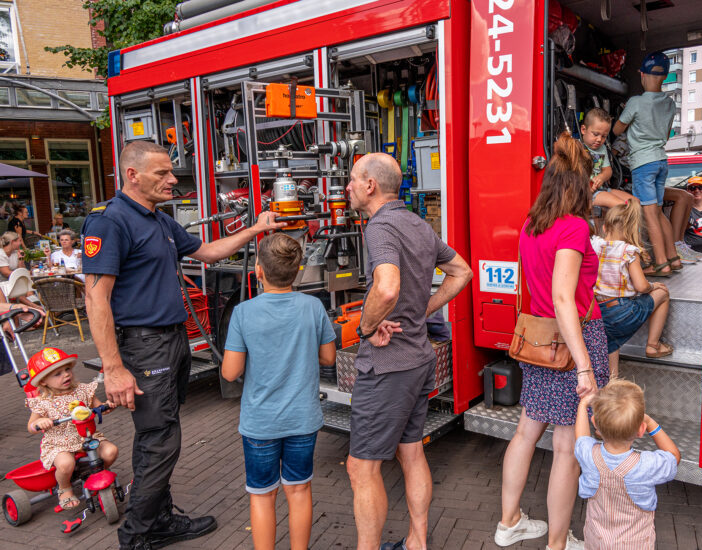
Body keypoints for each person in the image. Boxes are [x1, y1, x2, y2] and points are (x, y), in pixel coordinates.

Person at [82, 140, 286, 550]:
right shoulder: (110, 221)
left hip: (172, 340)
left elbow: (208, 252)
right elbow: (95, 298)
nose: (173, 179)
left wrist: (257, 230)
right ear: (132, 175)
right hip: (144, 346)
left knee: (160, 434)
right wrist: (113, 367)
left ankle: (159, 520)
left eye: (171, 171)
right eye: (162, 173)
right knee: (161, 441)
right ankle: (136, 537)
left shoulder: (158, 219)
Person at [344, 152, 472, 550]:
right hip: (419, 359)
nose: (346, 187)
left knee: (361, 467)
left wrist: (365, 327)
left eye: (351, 179)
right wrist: (422, 310)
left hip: (388, 365)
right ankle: (417, 543)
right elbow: (462, 271)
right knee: (410, 453)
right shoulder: (417, 223)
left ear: (370, 186)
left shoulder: (380, 227)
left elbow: (386, 287)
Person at [495, 133, 608, 550]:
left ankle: (509, 523)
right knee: (565, 446)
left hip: (537, 338)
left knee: (526, 431)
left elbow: (545, 287)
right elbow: (564, 298)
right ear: (578, 187)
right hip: (572, 341)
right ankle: (558, 543)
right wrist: (583, 365)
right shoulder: (574, 227)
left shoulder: (531, 224)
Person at [221, 233, 337, 550]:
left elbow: (230, 372)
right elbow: (329, 358)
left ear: (258, 269)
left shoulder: (244, 313)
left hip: (260, 422)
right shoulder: (314, 308)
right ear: (297, 270)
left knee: (262, 495)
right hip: (303, 418)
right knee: (298, 490)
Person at [574, 379, 680, 549]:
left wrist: (582, 405)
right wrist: (651, 423)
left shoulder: (589, 456)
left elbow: (581, 438)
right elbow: (674, 456)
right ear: (640, 430)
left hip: (597, 540)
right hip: (635, 543)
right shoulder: (647, 465)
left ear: (595, 424)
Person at [613, 51, 681, 276]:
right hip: (661, 160)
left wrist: (628, 119)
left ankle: (660, 263)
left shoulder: (636, 102)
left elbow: (617, 129)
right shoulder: (669, 104)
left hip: (643, 163)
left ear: (642, 75)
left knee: (649, 214)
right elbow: (666, 134)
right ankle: (673, 258)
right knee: (659, 213)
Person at [25, 347, 119, 511]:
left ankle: (95, 474)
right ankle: (65, 488)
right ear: (43, 381)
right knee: (65, 464)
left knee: (111, 451)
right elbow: (31, 426)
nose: (66, 375)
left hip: (87, 437)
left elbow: (97, 406)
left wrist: (106, 407)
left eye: (67, 369)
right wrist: (40, 422)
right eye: (57, 374)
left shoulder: (82, 390)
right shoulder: (43, 401)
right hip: (59, 442)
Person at [591, 201, 672, 376]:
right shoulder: (628, 251)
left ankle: (612, 381)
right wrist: (653, 286)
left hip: (598, 312)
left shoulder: (595, 246)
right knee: (663, 293)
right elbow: (641, 286)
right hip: (622, 312)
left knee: (611, 343)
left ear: (605, 227)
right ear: (632, 231)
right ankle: (653, 345)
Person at [581, 108, 633, 210]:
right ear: (583, 130)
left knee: (634, 203)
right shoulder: (575, 147)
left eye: (604, 136)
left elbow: (608, 170)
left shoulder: (602, 148)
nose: (599, 139)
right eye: (595, 134)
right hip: (585, 194)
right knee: (622, 206)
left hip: (602, 189)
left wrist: (601, 177)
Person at [684, 176, 702, 257]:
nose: (696, 190)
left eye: (700, 187)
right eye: (692, 188)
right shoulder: (683, 209)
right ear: (688, 191)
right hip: (691, 254)